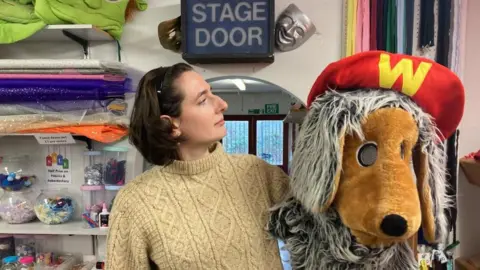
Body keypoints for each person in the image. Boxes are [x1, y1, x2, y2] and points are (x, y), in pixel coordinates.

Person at [106, 63, 290, 269]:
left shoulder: (257, 172)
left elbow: (324, 226)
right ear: (171, 125)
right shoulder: (135, 202)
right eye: (203, 100)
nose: (222, 104)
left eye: (213, 93)